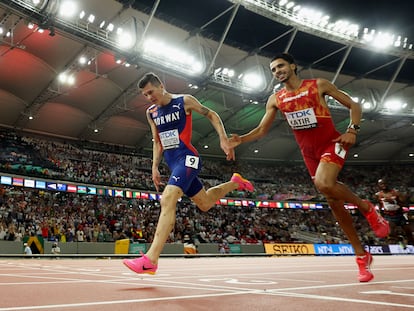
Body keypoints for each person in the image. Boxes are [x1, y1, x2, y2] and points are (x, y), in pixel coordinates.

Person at [228, 53, 390, 282]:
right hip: (309, 154)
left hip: (333, 144)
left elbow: (354, 105)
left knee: (324, 183)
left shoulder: (318, 85)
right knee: (332, 198)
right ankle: (362, 256)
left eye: (281, 66)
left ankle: (367, 208)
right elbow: (262, 129)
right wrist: (241, 139)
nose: (277, 71)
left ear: (293, 66)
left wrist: (352, 130)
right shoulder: (276, 98)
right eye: (273, 69)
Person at [123, 72, 254, 274]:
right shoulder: (151, 112)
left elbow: (212, 114)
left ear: (161, 87)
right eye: (145, 95)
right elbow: (157, 141)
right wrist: (154, 166)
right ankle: (235, 182)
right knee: (205, 203)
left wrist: (223, 139)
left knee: (168, 198)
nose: (149, 97)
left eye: (151, 92)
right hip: (172, 163)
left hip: (188, 158)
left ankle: (150, 259)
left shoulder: (183, 101)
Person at [375, 178, 413, 246]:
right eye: (381, 184)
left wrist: (395, 202)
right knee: (390, 233)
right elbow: (380, 205)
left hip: (399, 214)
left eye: (385, 183)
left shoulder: (396, 193)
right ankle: (399, 239)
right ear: (379, 185)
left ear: (388, 183)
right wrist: (381, 215)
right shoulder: (378, 195)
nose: (383, 185)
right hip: (389, 216)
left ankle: (411, 243)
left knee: (408, 231)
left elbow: (406, 204)